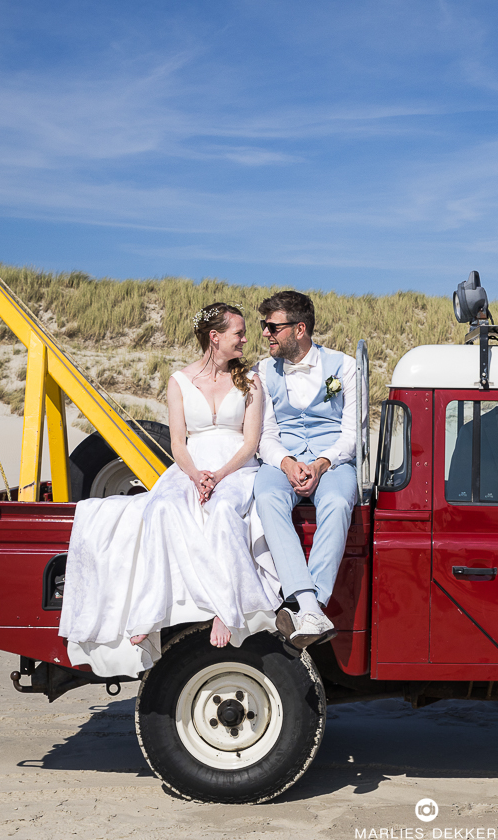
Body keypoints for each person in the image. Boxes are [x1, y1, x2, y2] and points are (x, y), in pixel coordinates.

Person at [57, 302, 280, 677]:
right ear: (215, 337)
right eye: (238, 333)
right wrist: (195, 475)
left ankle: (225, 609)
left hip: (236, 467)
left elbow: (251, 440)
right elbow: (178, 442)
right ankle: (149, 612)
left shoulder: (251, 381)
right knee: (161, 509)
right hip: (190, 466)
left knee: (224, 512)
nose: (245, 339)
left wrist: (220, 476)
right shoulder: (178, 381)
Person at [252, 290, 358, 650]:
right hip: (282, 458)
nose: (265, 333)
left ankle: (313, 601)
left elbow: (352, 433)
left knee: (340, 502)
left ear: (299, 329)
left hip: (332, 459)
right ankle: (309, 605)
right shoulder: (263, 371)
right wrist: (286, 462)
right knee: (265, 496)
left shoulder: (344, 367)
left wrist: (321, 463)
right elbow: (264, 434)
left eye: (272, 327)